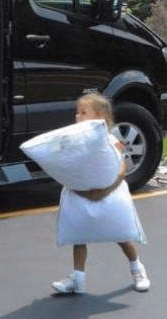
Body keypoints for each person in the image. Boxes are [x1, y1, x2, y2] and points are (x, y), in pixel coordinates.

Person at [52, 92, 151, 294]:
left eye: (83, 112)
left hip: (110, 194)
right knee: (78, 237)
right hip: (81, 194)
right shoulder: (73, 139)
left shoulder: (111, 139)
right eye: (76, 112)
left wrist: (106, 190)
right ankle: (78, 279)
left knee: (121, 235)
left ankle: (137, 268)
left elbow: (121, 167)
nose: (78, 116)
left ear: (99, 116)